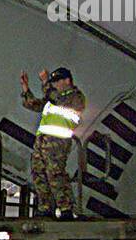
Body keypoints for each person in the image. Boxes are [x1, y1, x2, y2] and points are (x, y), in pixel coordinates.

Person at [20, 66, 87, 219]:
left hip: (58, 142)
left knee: (55, 174)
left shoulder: (75, 98)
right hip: (42, 141)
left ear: (67, 81)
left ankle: (66, 208)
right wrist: (26, 88)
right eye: (53, 82)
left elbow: (57, 99)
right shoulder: (53, 98)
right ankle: (45, 207)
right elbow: (33, 104)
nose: (55, 84)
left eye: (57, 81)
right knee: (39, 173)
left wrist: (45, 83)